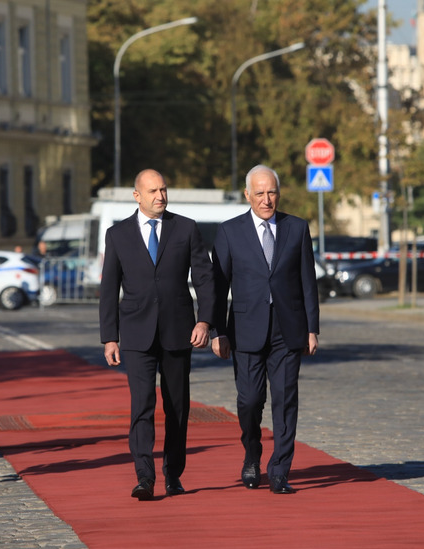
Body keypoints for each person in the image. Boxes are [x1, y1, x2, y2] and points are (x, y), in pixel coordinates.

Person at [99, 169, 216, 501]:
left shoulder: (185, 228)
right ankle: (144, 476)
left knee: (177, 407)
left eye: (163, 189)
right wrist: (110, 337)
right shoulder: (118, 234)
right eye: (152, 191)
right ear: (137, 196)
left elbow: (204, 278)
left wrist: (205, 321)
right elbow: (109, 288)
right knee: (142, 405)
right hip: (136, 334)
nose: (160, 196)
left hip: (179, 331)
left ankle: (173, 474)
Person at [210, 164, 320, 495]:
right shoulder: (229, 232)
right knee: (249, 400)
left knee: (285, 401)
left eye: (271, 192)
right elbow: (218, 288)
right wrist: (217, 332)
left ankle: (279, 471)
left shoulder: (296, 228)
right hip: (245, 330)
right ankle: (252, 454)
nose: (266, 199)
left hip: (288, 330)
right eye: (259, 193)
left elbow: (308, 282)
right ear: (247, 195)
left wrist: (312, 328)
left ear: (279, 193)